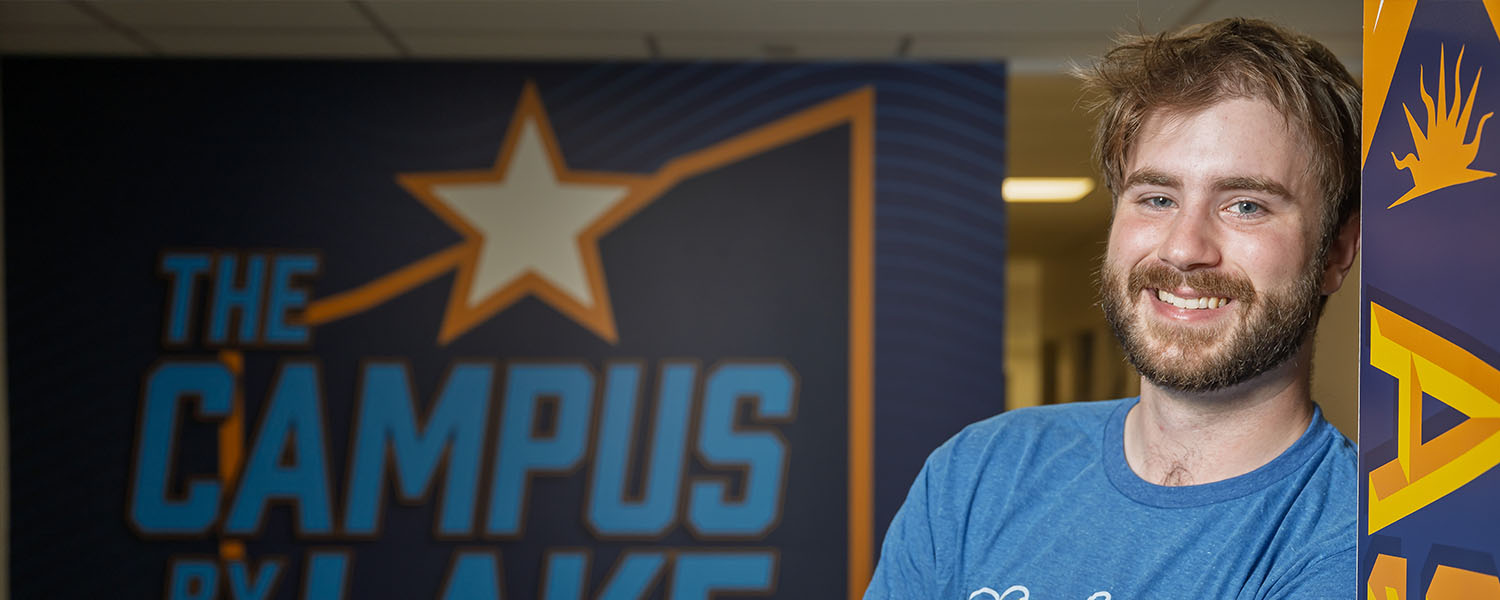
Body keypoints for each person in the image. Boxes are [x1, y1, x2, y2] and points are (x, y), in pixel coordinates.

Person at [864, 18, 1360, 599]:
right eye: (1157, 198)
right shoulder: (977, 474)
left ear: (1336, 253)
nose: (1183, 248)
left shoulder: (1357, 544)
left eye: (1245, 205)